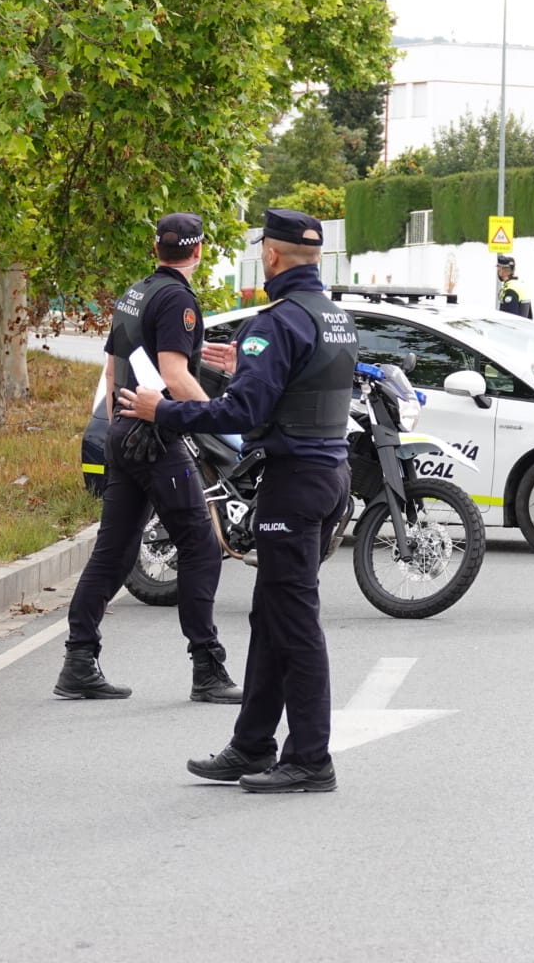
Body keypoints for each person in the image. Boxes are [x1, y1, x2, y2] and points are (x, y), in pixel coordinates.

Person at [120, 209, 356, 793]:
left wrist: (164, 411)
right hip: (328, 476)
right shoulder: (333, 317)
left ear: (270, 257)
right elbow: (298, 386)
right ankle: (252, 746)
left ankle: (310, 759)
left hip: (293, 484)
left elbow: (241, 414)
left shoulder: (275, 322)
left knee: (294, 621)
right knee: (271, 615)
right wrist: (245, 365)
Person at [53, 213, 240, 704]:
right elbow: (175, 375)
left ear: (157, 248)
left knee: (113, 552)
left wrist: (118, 426)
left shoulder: (135, 293)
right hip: (155, 438)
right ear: (198, 252)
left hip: (124, 432)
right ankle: (208, 669)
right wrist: (219, 418)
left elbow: (114, 369)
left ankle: (78, 660)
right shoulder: (178, 299)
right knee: (200, 548)